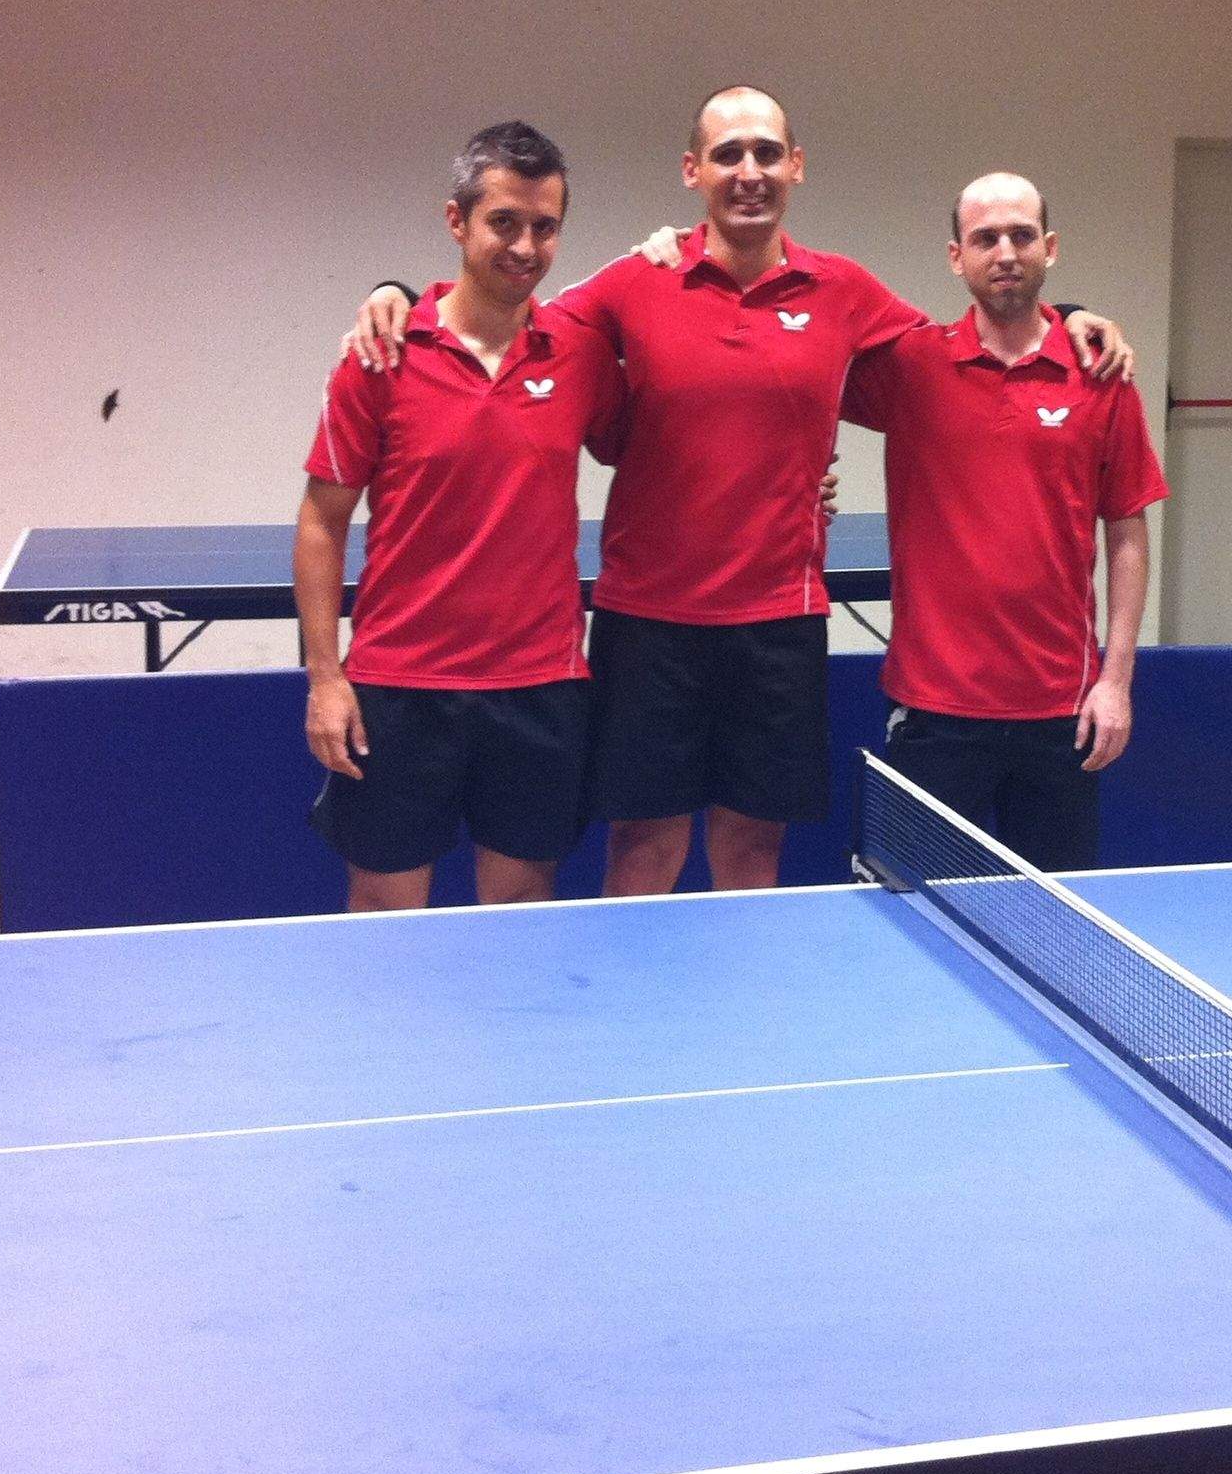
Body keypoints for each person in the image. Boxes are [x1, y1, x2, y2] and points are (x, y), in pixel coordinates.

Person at [345, 87, 1133, 896]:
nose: (748, 171)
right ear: (693, 171)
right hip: (648, 620)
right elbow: (509, 310)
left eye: (765, 152)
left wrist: (1066, 313)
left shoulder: (843, 291)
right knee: (643, 847)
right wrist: (400, 293)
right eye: (727, 154)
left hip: (777, 625)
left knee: (752, 851)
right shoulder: (633, 283)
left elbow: (963, 351)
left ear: (795, 166)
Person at [296, 121, 624, 912]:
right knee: (386, 918)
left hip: (539, 686)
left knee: (518, 919)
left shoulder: (579, 354)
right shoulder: (380, 355)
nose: (524, 246)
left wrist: (803, 480)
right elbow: (320, 522)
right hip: (399, 687)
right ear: (457, 222)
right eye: (503, 222)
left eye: (544, 228)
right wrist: (325, 677)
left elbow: (661, 452)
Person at [845, 172, 1164, 870]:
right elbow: (784, 376)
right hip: (934, 713)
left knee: (1053, 935)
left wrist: (1115, 684)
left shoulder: (1099, 376)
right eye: (985, 238)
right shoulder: (912, 366)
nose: (1006, 252)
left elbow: (1129, 536)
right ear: (956, 256)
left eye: (1021, 235)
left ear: (1048, 248)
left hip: (1059, 713)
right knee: (909, 928)